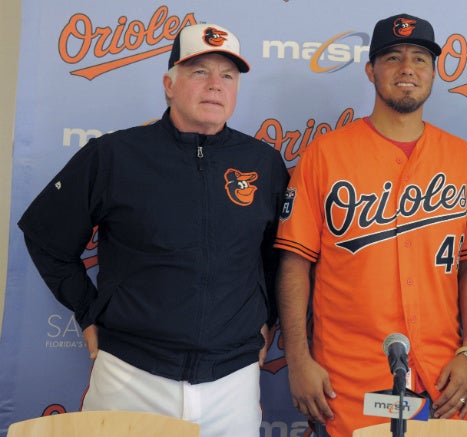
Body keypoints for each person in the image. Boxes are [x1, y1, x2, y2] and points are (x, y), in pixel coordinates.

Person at [18, 23, 288, 437]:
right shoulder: (114, 155)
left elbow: (277, 258)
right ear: (169, 83)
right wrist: (89, 311)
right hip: (131, 375)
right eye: (199, 71)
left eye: (228, 75)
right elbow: (45, 235)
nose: (215, 84)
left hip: (231, 381)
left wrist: (267, 318)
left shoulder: (264, 164)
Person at [274, 13, 467, 436]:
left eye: (420, 58)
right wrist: (298, 359)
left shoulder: (460, 157)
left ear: (433, 72)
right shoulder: (324, 155)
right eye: (392, 57)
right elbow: (295, 264)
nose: (407, 68)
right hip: (346, 384)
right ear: (371, 70)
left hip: (443, 383)